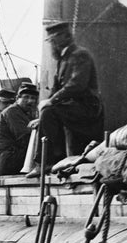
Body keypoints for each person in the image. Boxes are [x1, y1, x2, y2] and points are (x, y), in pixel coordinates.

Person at [28, 21, 104, 175]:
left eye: (53, 40)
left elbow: (77, 85)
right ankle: (57, 161)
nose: (51, 45)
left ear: (64, 37)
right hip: (74, 108)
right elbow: (56, 89)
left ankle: (46, 164)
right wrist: (41, 116)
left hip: (88, 108)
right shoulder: (63, 60)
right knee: (48, 113)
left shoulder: (80, 55)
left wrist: (50, 103)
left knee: (51, 112)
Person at [0, 83, 39, 175]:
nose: (30, 101)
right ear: (18, 99)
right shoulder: (12, 111)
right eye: (26, 97)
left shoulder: (24, 113)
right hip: (8, 161)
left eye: (33, 98)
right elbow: (25, 138)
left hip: (12, 158)